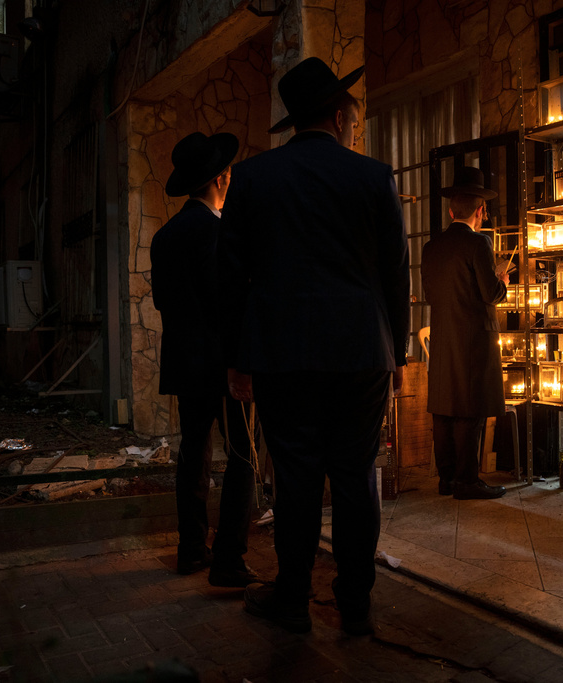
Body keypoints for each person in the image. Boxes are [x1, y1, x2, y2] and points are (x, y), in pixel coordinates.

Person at [219, 57, 409, 635]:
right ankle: (355, 604)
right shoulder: (374, 177)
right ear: (340, 115)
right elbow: (396, 274)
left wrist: (238, 358)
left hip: (284, 353)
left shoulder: (252, 179)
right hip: (360, 351)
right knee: (355, 475)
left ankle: (294, 599)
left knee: (296, 479)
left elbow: (231, 277)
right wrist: (396, 354)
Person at [151, 131, 260, 589]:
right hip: (224, 363)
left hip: (184, 362)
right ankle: (229, 559)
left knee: (193, 454)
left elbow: (161, 301)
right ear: (221, 178)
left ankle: (192, 548)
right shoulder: (217, 231)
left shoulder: (163, 236)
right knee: (241, 457)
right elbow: (227, 301)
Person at [421, 166, 509, 500]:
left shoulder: (432, 247)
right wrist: (502, 282)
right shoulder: (479, 243)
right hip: (474, 336)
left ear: (450, 210)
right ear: (480, 211)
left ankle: (447, 480)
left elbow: (431, 293)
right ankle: (467, 481)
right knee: (469, 408)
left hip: (443, 336)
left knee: (444, 406)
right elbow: (489, 293)